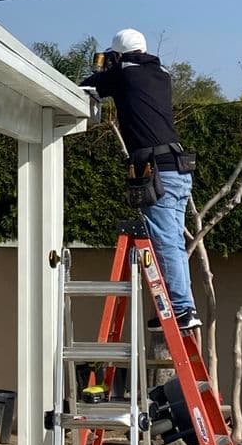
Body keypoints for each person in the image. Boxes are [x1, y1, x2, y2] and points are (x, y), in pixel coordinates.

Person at [80, 28, 200, 331]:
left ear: (118, 54)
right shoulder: (161, 72)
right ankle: (185, 306)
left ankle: (182, 309)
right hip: (178, 167)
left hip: (157, 170)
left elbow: (87, 86)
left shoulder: (124, 73)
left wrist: (103, 68)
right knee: (173, 240)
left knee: (166, 242)